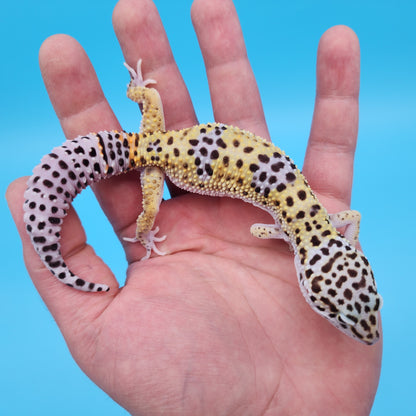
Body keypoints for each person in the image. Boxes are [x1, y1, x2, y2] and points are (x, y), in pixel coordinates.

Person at [6, 0, 382, 414]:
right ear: (308, 279)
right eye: (340, 314)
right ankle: (141, 229)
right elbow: (269, 231)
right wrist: (146, 230)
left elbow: (334, 222)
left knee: (150, 95)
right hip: (160, 162)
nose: (364, 329)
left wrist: (140, 93)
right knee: (145, 218)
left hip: (161, 135)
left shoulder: (327, 224)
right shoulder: (305, 232)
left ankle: (137, 92)